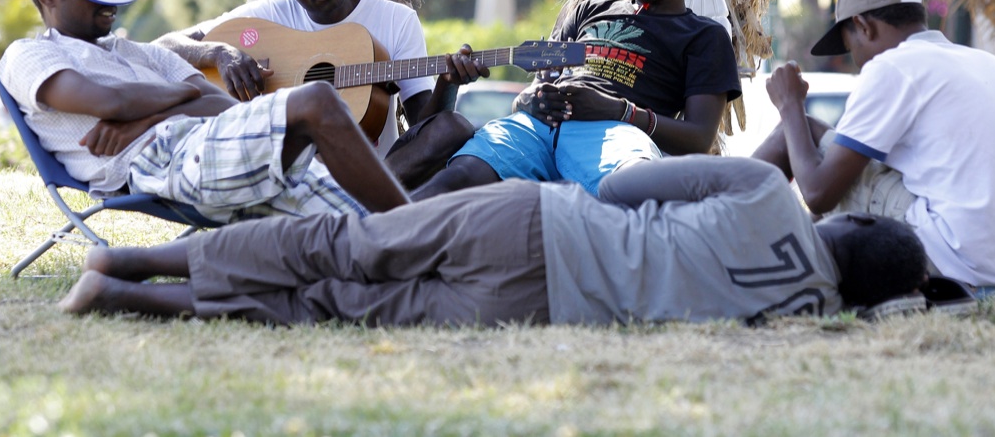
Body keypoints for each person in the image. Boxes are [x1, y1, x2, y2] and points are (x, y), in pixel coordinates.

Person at [57, 155, 928, 326]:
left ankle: (131, 258)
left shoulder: (773, 193)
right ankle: (129, 298)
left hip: (537, 220)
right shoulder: (809, 313)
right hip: (534, 307)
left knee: (338, 245)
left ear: (847, 220)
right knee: (336, 304)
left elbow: (623, 185)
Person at [0, 0, 410, 222]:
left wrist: (147, 115)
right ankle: (411, 227)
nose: (111, 4)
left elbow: (223, 105)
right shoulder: (29, 55)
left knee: (359, 222)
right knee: (317, 101)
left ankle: (419, 240)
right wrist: (181, 93)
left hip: (219, 143)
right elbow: (108, 101)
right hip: (161, 163)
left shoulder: (134, 52)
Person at [411, 0, 742, 200]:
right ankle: (370, 235)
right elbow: (537, 88)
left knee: (634, 187)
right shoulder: (588, 10)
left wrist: (619, 110)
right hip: (535, 129)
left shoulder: (704, 35)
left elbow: (699, 137)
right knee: (459, 177)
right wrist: (527, 100)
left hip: (615, 133)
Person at [753, 0, 995, 291]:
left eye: (851, 48)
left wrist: (790, 106)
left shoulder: (892, 67)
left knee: (790, 135)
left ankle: (714, 235)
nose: (858, 62)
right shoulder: (990, 65)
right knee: (820, 140)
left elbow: (818, 194)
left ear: (863, 26)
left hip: (960, 260)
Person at [154, 0, 486, 189]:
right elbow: (163, 46)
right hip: (284, 172)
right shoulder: (269, 16)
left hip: (374, 171)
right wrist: (220, 53)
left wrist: (447, 83)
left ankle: (355, 201)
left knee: (453, 127)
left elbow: (422, 125)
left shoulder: (395, 20)